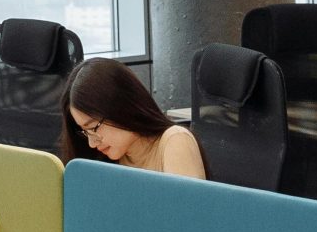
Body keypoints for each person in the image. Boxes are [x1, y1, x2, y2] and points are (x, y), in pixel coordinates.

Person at [60, 57, 207, 176]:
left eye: (93, 128)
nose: (92, 143)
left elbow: (188, 212)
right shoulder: (108, 159)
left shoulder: (175, 141)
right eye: (85, 132)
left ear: (121, 107)